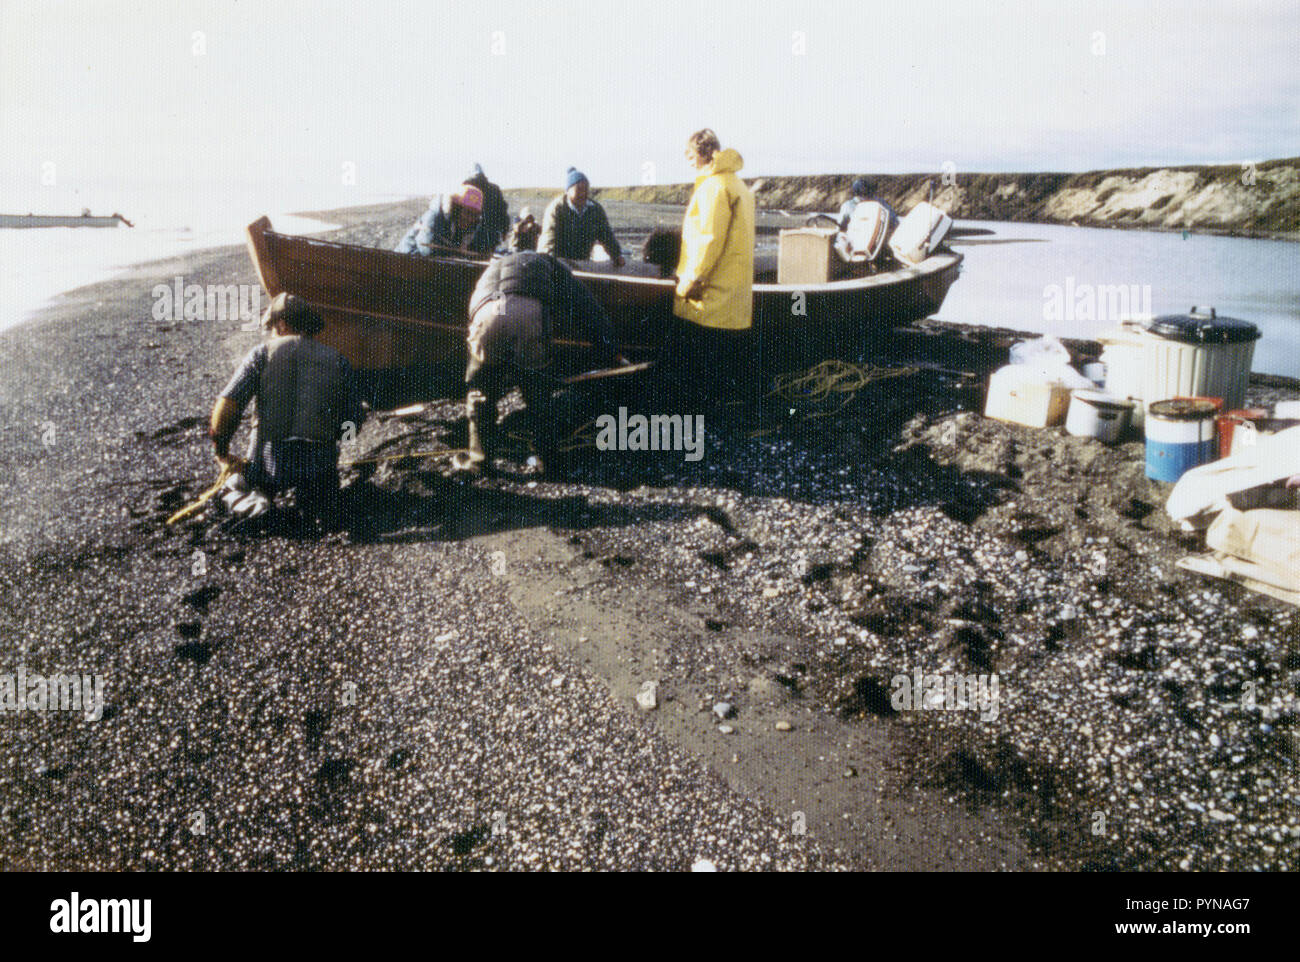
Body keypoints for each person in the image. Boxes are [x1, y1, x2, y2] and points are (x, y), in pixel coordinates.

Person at [454, 251, 622, 477]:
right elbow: (588, 310)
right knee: (537, 395)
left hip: (486, 313)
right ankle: (548, 462)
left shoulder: (494, 267)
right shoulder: (554, 266)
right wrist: (611, 351)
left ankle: (479, 462)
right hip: (527, 314)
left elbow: (477, 305)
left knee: (481, 392)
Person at [209, 293, 366, 520]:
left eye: (272, 327)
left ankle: (257, 504)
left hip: (268, 464)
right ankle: (316, 501)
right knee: (321, 489)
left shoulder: (262, 354)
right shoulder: (338, 359)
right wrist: (342, 442)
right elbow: (354, 415)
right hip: (319, 467)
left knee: (232, 487)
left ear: (281, 324)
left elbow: (228, 406)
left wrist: (221, 451)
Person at [667, 128, 756, 399]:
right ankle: (725, 416)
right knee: (725, 370)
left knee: (702, 369)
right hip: (735, 297)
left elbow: (709, 239)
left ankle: (702, 418)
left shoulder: (714, 187)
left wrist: (691, 281)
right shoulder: (737, 185)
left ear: (703, 152)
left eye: (690, 153)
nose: (687, 159)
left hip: (711, 298)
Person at [539, 168, 625, 266]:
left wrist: (617, 255)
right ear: (568, 190)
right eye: (578, 190)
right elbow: (549, 240)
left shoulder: (595, 209)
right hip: (557, 261)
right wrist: (552, 264)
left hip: (582, 261)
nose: (582, 194)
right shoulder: (556, 209)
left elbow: (606, 235)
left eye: (585, 190)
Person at [394, 185, 494, 255]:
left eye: (475, 215)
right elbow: (427, 250)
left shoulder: (471, 227)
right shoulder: (434, 217)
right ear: (456, 208)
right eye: (467, 213)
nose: (470, 219)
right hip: (405, 263)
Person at [463, 163, 511, 249]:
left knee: (463, 260)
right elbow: (503, 213)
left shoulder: (467, 188)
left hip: (468, 235)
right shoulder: (494, 189)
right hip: (490, 237)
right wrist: (505, 230)